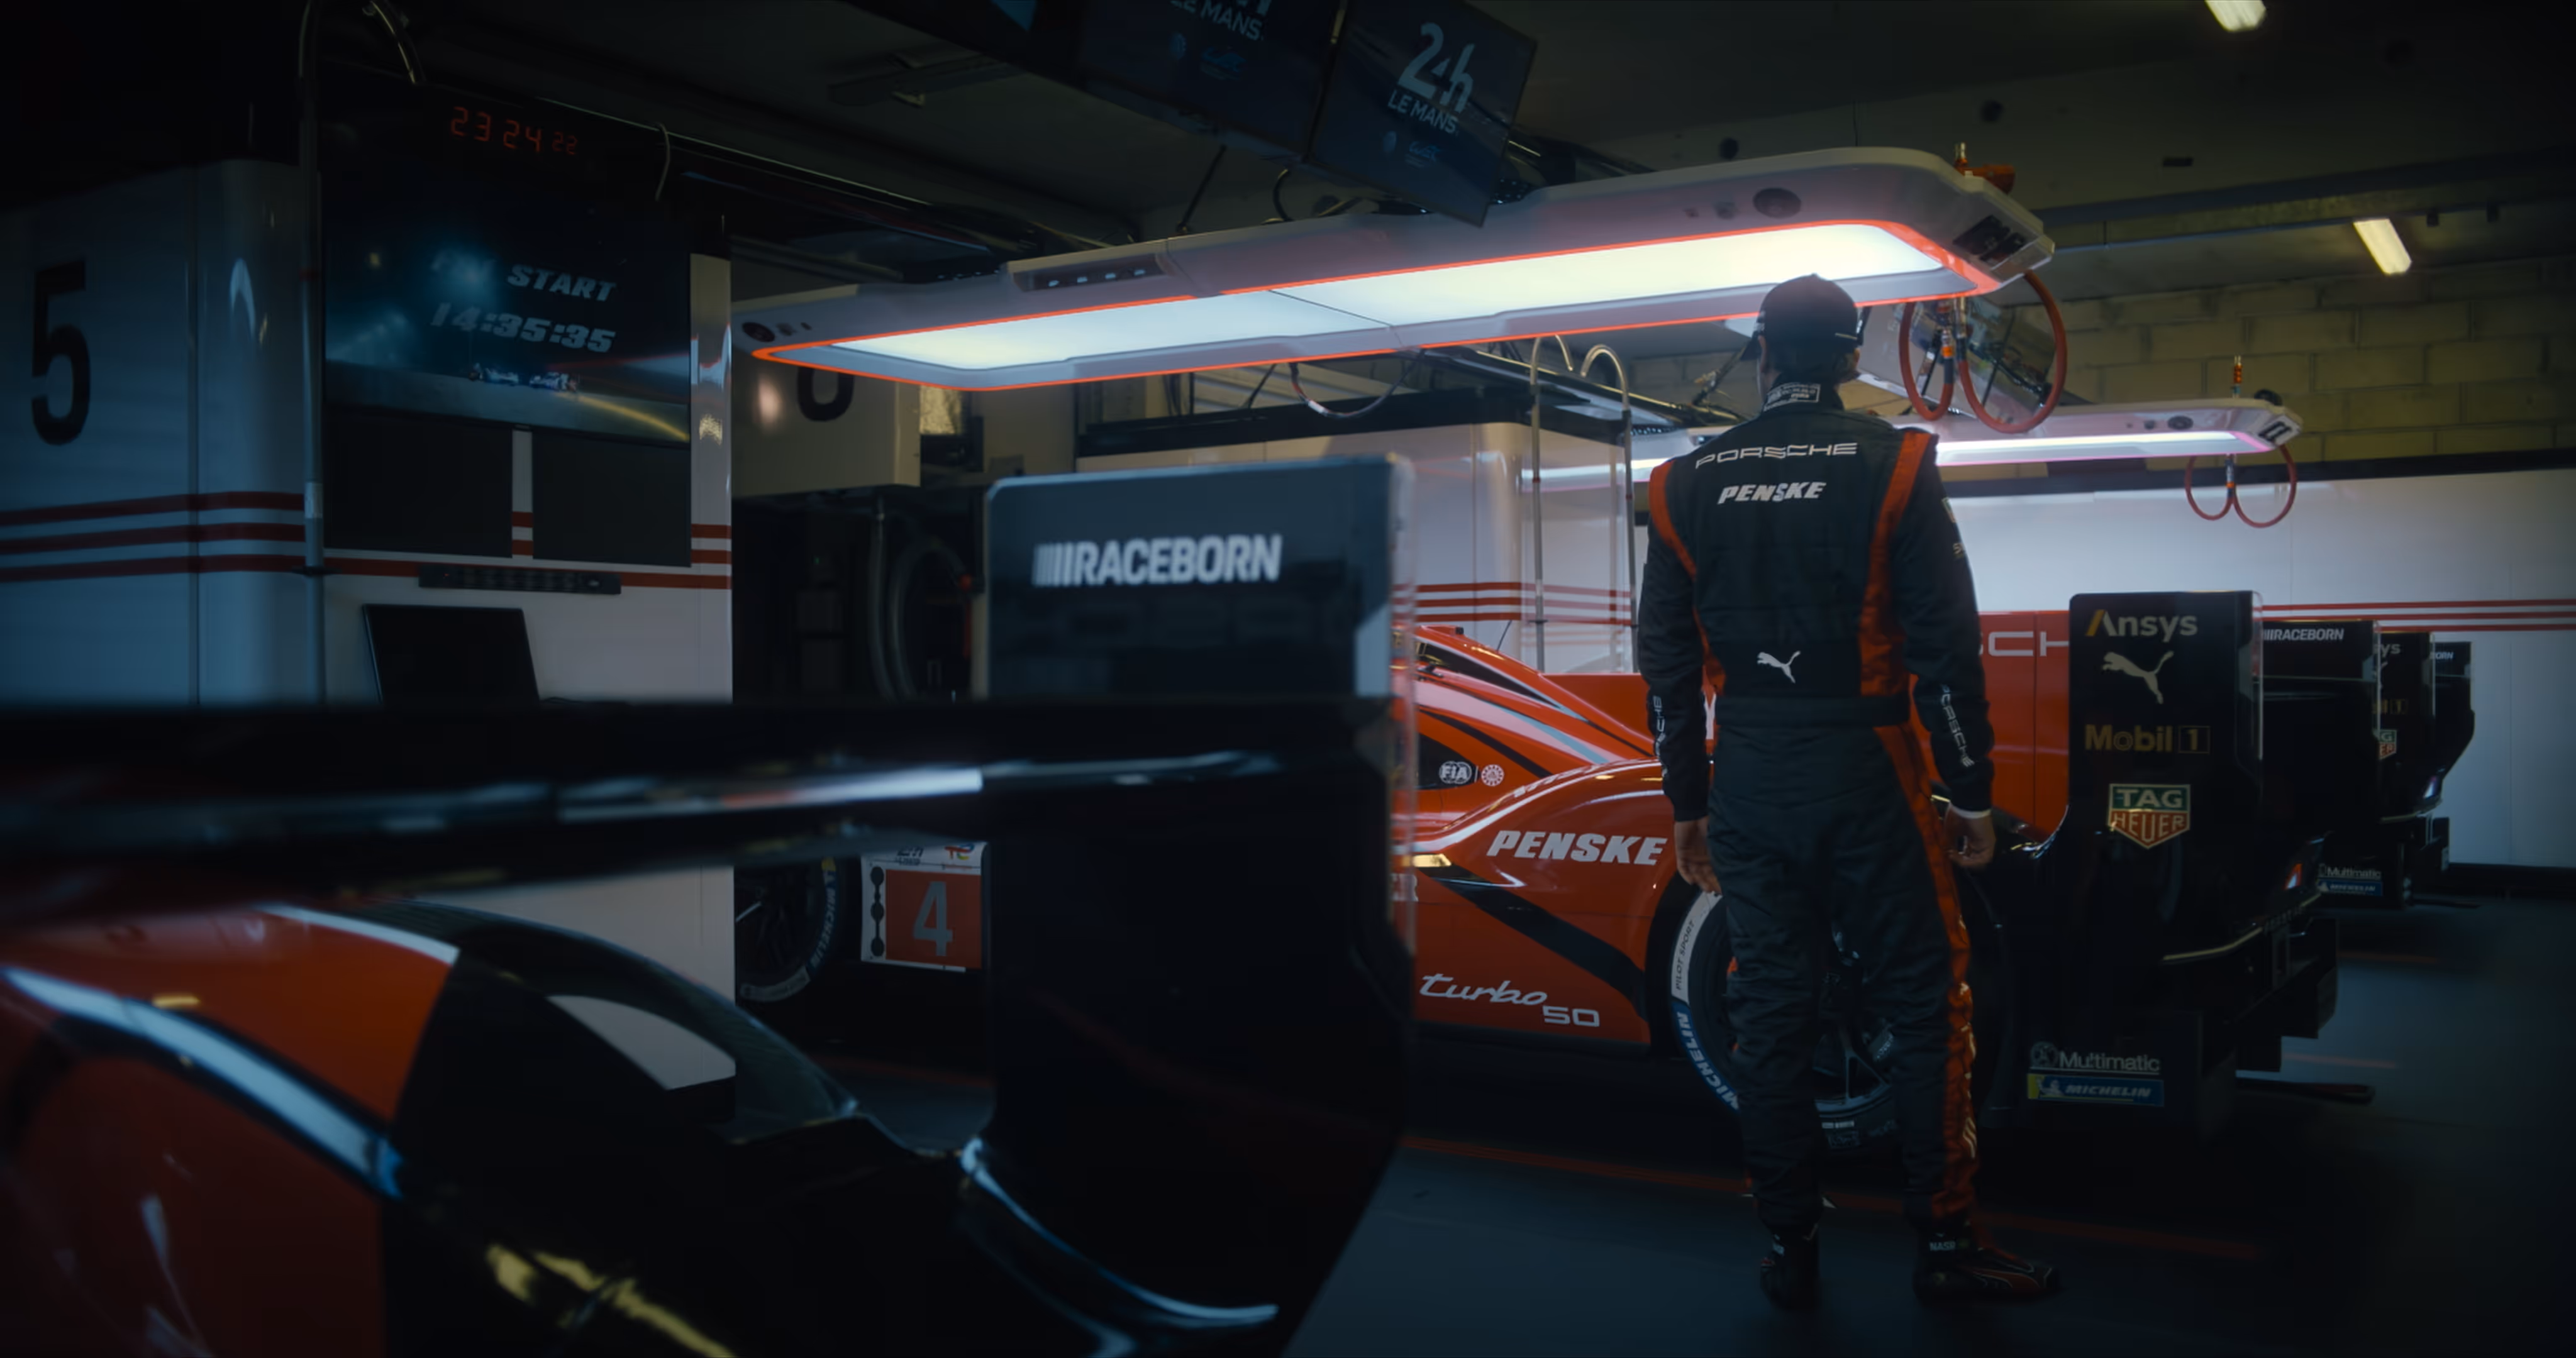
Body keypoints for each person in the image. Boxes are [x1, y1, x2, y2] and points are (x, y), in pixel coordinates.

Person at [1635, 275, 2057, 1308]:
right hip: (1868, 769)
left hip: (1751, 780)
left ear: (1765, 354)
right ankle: (1947, 1244)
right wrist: (1969, 793)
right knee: (1926, 1003)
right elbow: (1946, 649)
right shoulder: (1900, 462)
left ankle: (1789, 1246)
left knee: (1770, 1014)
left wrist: (1688, 803)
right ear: (1852, 356)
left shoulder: (1681, 484)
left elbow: (1665, 664)